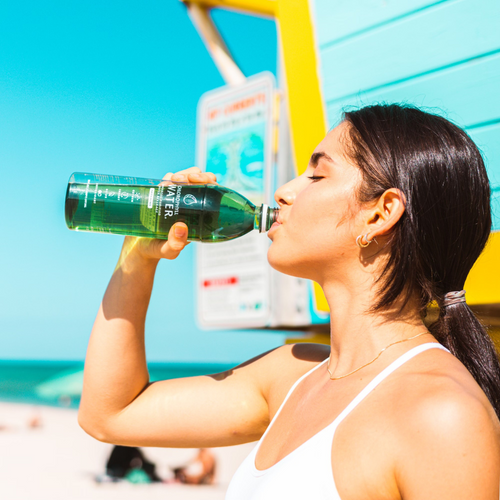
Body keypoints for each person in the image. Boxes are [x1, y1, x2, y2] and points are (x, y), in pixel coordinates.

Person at [78, 104, 500, 499]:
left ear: (380, 213)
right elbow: (111, 415)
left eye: (317, 175)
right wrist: (137, 259)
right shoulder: (291, 374)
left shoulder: (442, 417)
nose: (283, 192)